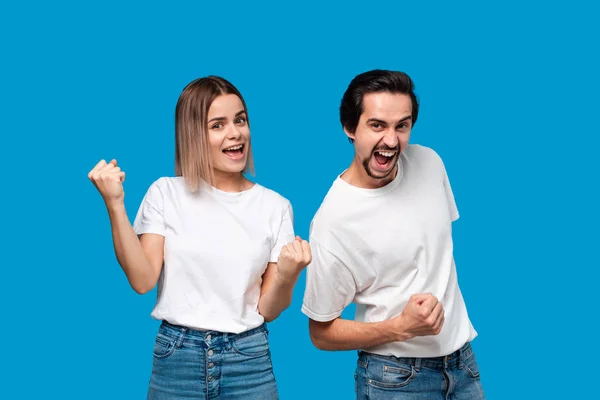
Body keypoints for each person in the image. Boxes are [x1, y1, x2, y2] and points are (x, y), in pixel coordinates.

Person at [88, 76, 311, 400]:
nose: (235, 133)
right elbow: (142, 279)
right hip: (177, 358)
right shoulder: (165, 193)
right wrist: (115, 204)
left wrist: (289, 275)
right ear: (193, 134)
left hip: (248, 360)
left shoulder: (275, 207)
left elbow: (268, 308)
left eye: (240, 120)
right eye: (217, 125)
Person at [301, 69, 484, 399]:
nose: (391, 140)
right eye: (377, 125)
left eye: (402, 125)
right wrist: (400, 326)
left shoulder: (430, 163)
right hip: (396, 378)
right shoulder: (333, 223)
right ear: (349, 128)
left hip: (463, 366)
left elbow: (433, 250)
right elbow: (321, 333)